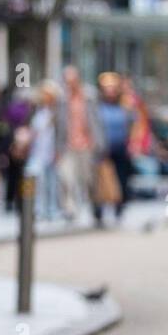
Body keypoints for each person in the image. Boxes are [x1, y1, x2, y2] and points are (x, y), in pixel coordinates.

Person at [58, 66, 103, 222]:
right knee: (66, 178)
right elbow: (58, 125)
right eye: (66, 81)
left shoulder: (89, 97)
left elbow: (97, 122)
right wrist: (56, 148)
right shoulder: (62, 100)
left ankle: (96, 207)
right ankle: (70, 210)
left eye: (71, 81)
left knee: (88, 180)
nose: (69, 84)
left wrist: (98, 144)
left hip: (86, 146)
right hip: (68, 146)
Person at [94, 72, 133, 223]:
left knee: (121, 179)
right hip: (102, 148)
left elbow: (132, 124)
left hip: (120, 147)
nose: (110, 91)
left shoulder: (124, 106)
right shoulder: (98, 107)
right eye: (106, 88)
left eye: (112, 88)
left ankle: (119, 207)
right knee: (101, 180)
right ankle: (99, 209)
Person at [26, 80, 62, 221]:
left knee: (51, 183)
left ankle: (52, 209)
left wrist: (58, 150)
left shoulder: (57, 112)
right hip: (37, 151)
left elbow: (61, 132)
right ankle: (35, 208)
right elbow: (32, 129)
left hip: (51, 150)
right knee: (33, 178)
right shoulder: (36, 110)